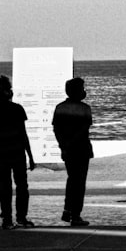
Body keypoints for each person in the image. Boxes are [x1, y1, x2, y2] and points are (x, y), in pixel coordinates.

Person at [0, 75, 36, 229]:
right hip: (17, 153)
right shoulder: (17, 109)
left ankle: (7, 219)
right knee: (22, 186)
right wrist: (30, 156)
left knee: (4, 187)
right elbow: (23, 134)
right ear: (8, 91)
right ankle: (21, 217)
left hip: (0, 154)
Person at [52, 77, 93, 227]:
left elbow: (56, 130)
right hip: (81, 149)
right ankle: (76, 214)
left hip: (68, 150)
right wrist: (71, 143)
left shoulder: (60, 108)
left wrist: (64, 146)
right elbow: (84, 130)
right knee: (79, 182)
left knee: (71, 180)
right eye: (82, 88)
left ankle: (67, 210)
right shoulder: (85, 109)